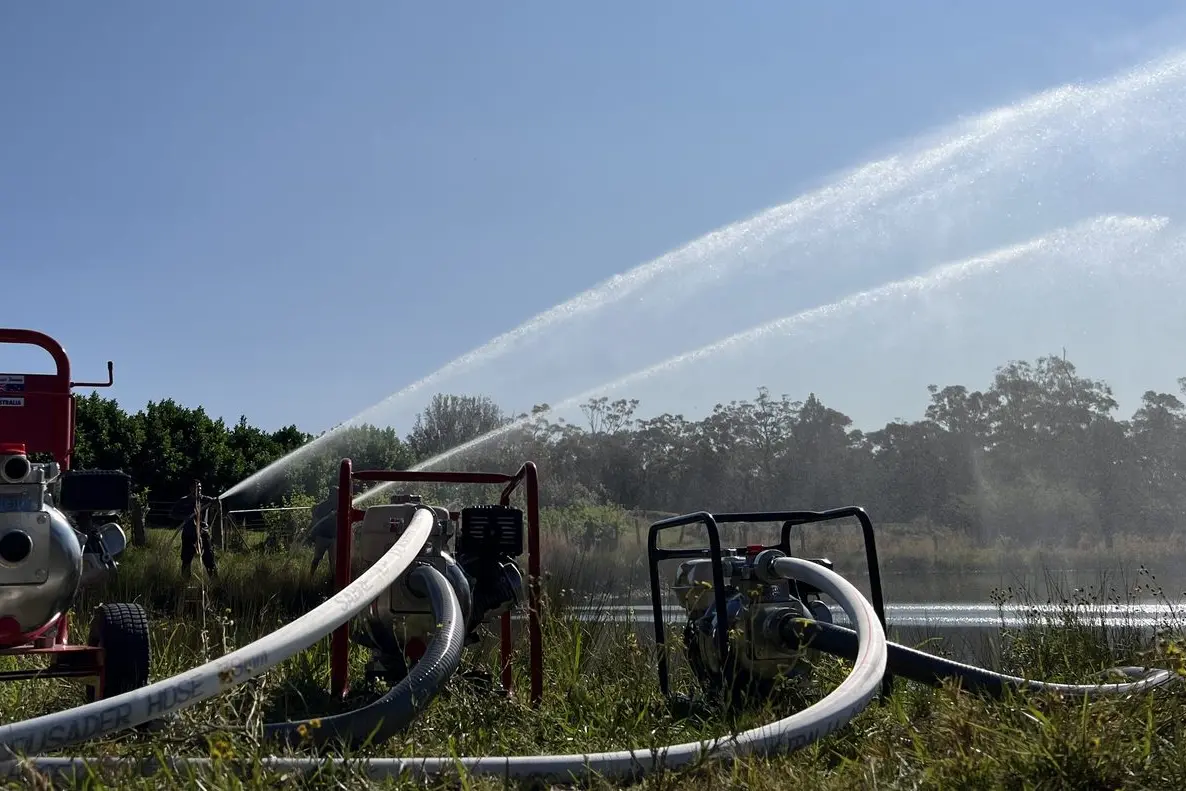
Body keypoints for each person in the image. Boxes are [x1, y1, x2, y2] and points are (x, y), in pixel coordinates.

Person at [171, 491, 218, 578]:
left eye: (199, 487)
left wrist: (216, 501)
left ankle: (216, 584)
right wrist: (184, 517)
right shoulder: (184, 500)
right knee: (186, 560)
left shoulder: (206, 499)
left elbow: (218, 505)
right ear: (191, 488)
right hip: (189, 534)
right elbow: (173, 514)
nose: (198, 489)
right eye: (195, 487)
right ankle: (185, 583)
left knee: (209, 559)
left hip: (203, 533)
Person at [308, 484, 339, 574]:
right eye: (336, 494)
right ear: (331, 495)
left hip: (333, 537)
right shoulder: (322, 506)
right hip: (322, 537)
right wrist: (312, 534)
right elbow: (315, 520)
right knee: (317, 558)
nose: (337, 496)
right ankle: (311, 575)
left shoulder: (339, 506)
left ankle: (333, 578)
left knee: (333, 561)